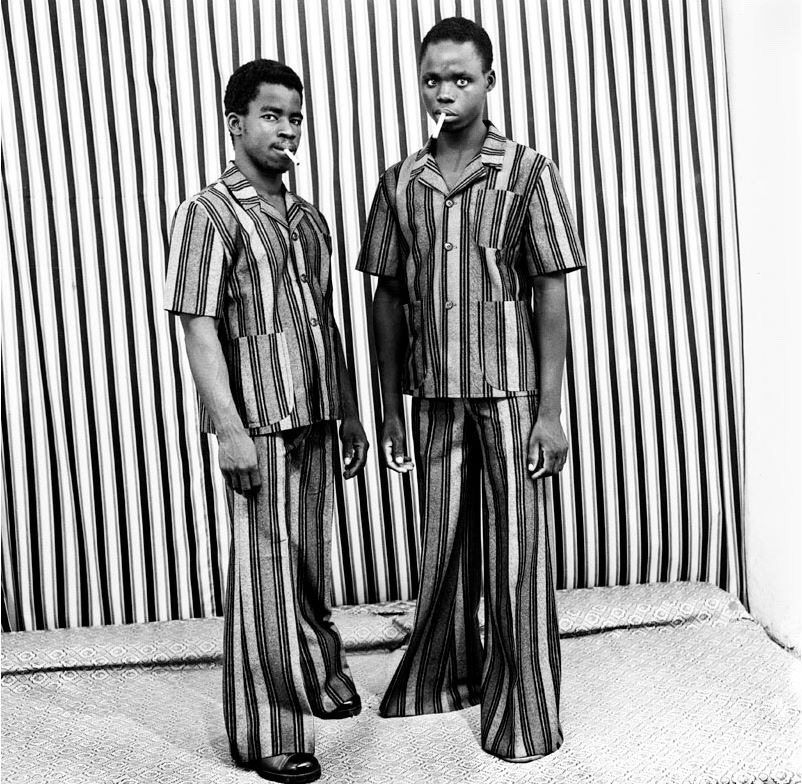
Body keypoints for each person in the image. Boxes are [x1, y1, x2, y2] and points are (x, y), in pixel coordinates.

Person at [356, 17, 586, 762]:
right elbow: (386, 296)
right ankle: (443, 678)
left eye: (460, 77)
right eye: (432, 79)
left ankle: (524, 714)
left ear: (490, 79)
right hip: (434, 398)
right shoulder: (401, 181)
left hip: (513, 396)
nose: (445, 91)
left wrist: (551, 411)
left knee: (518, 552)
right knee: (442, 547)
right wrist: (388, 407)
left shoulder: (527, 171)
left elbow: (550, 289)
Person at [165, 59, 368, 784]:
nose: (286, 129)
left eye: (295, 117)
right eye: (272, 116)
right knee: (264, 572)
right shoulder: (208, 212)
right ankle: (266, 731)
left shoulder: (309, 218)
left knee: (308, 560)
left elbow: (325, 321)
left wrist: (347, 411)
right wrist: (228, 428)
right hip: (258, 421)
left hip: (314, 414)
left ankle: (315, 672)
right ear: (236, 124)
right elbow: (195, 324)